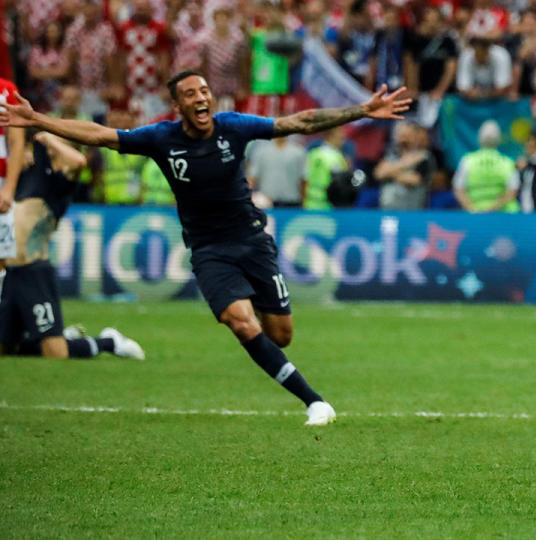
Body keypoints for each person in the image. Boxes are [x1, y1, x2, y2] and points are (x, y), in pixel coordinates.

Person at [0, 70, 411, 426]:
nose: (201, 98)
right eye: (190, 94)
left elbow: (300, 122)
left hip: (252, 241)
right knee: (241, 322)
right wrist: (38, 119)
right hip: (209, 250)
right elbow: (100, 135)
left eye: (203, 92)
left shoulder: (234, 126)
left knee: (280, 335)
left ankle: (289, 371)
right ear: (177, 105)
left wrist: (361, 109)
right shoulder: (161, 138)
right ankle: (315, 401)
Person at [0, 130, 144, 360]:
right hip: (10, 273)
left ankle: (109, 341)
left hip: (33, 272)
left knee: (56, 353)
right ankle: (63, 336)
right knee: (6, 348)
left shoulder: (58, 186)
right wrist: (23, 152)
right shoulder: (28, 175)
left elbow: (77, 161)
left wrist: (49, 138)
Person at [452, 120, 518, 213]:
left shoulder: (467, 160)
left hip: (475, 214)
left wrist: (471, 208)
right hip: (504, 215)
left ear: (479, 137)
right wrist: (494, 208)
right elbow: (512, 191)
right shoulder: (507, 162)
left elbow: (458, 189)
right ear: (499, 139)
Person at [0, 77, 25, 299]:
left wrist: (9, 188)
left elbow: (17, 142)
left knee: (0, 256)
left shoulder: (6, 91)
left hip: (0, 182)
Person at [375, 122, 435, 210]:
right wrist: (404, 164)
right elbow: (378, 174)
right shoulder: (391, 155)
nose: (403, 138)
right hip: (387, 210)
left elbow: (416, 180)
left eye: (407, 135)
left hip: (412, 210)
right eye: (401, 134)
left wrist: (390, 173)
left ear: (415, 136)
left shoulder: (424, 157)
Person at [247, 136, 307, 208]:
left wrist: (304, 201)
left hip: (292, 203)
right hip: (267, 203)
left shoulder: (298, 152)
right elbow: (252, 179)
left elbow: (303, 179)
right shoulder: (261, 151)